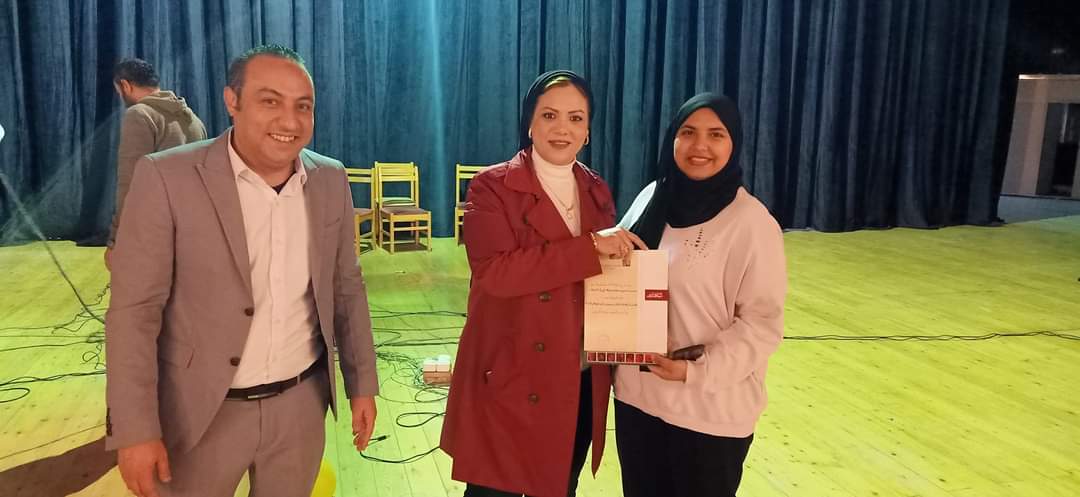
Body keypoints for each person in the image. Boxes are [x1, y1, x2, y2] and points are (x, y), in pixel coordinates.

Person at [105, 44, 378, 497]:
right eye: (270, 101)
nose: (290, 121)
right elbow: (134, 313)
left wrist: (361, 383)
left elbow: (346, 287)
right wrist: (134, 429)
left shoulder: (330, 179)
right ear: (232, 101)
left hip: (300, 406)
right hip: (200, 412)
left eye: (303, 106)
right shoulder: (167, 177)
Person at [440, 70, 645, 497]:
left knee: (558, 487)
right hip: (510, 376)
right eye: (549, 115)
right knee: (492, 491)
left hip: (575, 377)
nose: (562, 128)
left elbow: (602, 279)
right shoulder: (491, 186)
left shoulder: (596, 189)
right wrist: (591, 247)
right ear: (530, 123)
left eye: (576, 118)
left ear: (588, 131)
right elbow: (497, 273)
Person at [614, 93, 787, 497]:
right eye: (688, 132)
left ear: (734, 143)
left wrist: (695, 371)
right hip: (638, 402)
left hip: (708, 412)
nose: (700, 146)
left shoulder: (752, 223)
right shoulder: (651, 197)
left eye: (716, 134)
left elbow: (761, 325)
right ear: (672, 138)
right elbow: (618, 271)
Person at [106, 58, 207, 269]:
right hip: (193, 232)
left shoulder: (139, 114)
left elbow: (130, 182)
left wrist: (117, 239)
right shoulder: (194, 120)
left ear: (125, 85)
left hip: (154, 231)